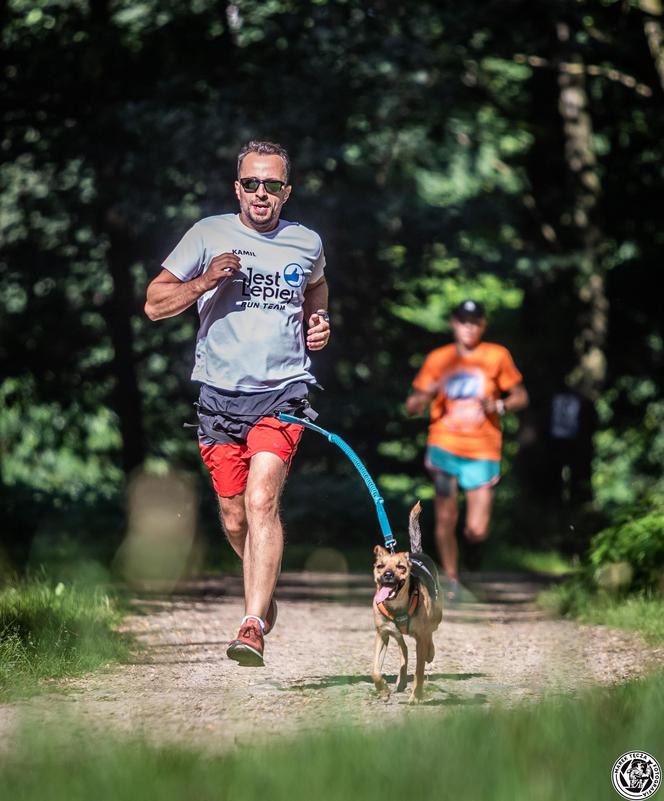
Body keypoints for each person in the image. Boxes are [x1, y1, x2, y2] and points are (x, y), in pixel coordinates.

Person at [144, 140, 330, 666]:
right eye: (252, 183)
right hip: (220, 397)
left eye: (272, 184)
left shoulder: (306, 242)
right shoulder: (208, 234)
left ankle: (250, 623)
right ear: (238, 188)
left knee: (261, 499)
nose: (262, 193)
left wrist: (318, 323)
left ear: (286, 191)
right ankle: (262, 593)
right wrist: (205, 280)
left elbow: (317, 289)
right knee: (233, 518)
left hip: (283, 390)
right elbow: (155, 304)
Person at [405, 300, 528, 601]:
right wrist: (425, 397)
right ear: (454, 324)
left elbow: (521, 397)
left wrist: (498, 405)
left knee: (476, 528)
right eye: (463, 321)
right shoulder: (438, 359)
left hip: (483, 449)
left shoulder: (496, 356)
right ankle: (452, 580)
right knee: (446, 518)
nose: (468, 327)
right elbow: (412, 406)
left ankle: (472, 555)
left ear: (482, 325)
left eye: (475, 322)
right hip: (445, 446)